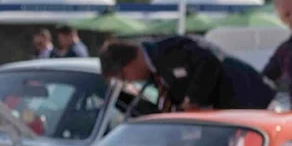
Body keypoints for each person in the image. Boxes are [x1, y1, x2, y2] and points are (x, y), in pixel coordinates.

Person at [101, 35, 274, 111]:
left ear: (129, 63)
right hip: (232, 113)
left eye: (124, 77)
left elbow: (209, 61)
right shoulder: (157, 72)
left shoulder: (170, 51)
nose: (130, 81)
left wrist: (193, 99)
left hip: (251, 101)